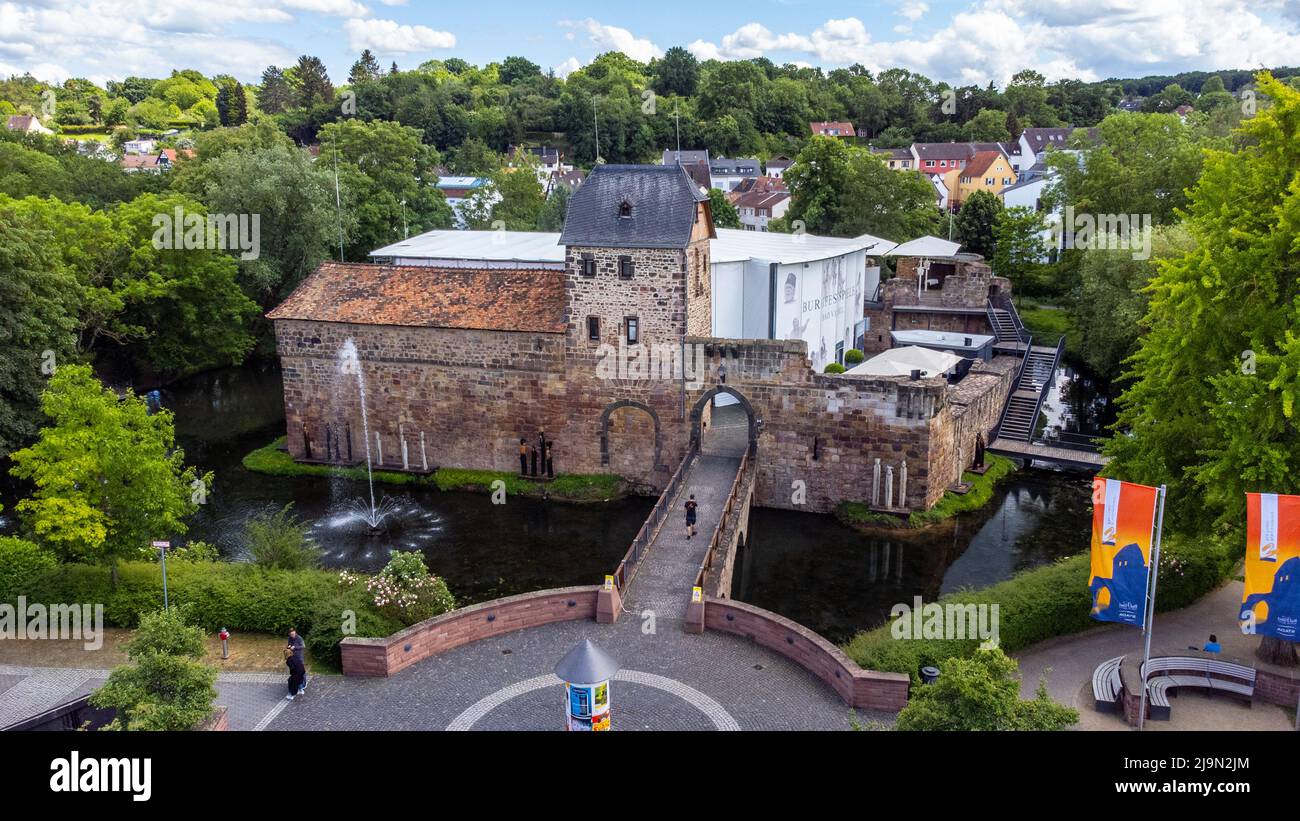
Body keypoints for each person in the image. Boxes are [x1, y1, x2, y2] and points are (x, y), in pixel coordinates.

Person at [287, 628, 306, 696]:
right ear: (289, 634)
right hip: (293, 657)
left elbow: (303, 646)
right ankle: (297, 685)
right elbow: (288, 644)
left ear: (295, 632)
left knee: (301, 671)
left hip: (299, 657)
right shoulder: (289, 638)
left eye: (293, 634)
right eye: (291, 634)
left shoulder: (299, 638)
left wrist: (295, 647)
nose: (293, 635)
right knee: (295, 672)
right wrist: (289, 646)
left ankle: (303, 685)